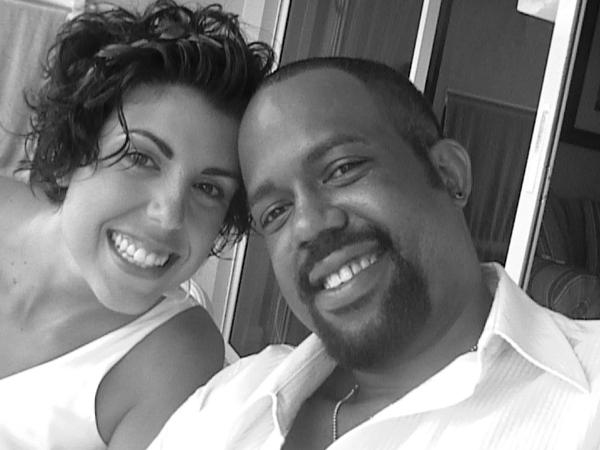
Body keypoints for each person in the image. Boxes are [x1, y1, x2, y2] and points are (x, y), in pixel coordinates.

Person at [148, 56, 600, 450]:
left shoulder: (586, 399)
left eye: (342, 169)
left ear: (448, 175)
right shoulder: (226, 404)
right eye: (276, 212)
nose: (307, 225)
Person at [0, 1, 272, 448]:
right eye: (141, 158)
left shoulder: (173, 355)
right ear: (73, 153)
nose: (169, 215)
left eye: (208, 189)